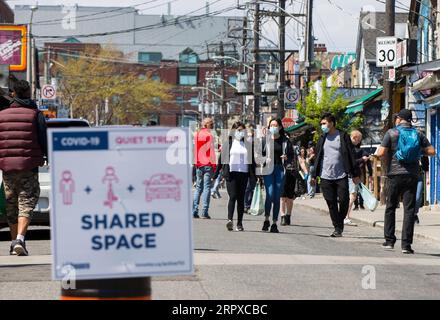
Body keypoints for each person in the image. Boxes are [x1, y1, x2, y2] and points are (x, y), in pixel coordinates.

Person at [377, 109, 435, 254]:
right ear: (410, 120)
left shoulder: (391, 133)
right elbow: (432, 151)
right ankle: (406, 245)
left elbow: (382, 153)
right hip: (412, 175)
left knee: (390, 207)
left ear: (399, 118)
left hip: (394, 175)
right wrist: (417, 152)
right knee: (409, 210)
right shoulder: (418, 133)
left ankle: (389, 241)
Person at [0, 80, 47, 256]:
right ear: (28, 93)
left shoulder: (1, 115)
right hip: (29, 166)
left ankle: (14, 243)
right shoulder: (35, 115)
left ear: (13, 94)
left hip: (7, 168)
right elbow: (43, 138)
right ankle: (20, 238)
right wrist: (47, 156)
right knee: (26, 202)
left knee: (11, 204)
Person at [310, 113, 360, 238]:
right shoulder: (322, 138)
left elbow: (351, 155)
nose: (322, 126)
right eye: (321, 124)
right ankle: (337, 227)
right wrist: (313, 176)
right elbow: (318, 158)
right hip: (325, 176)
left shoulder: (343, 136)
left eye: (324, 123)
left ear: (332, 123)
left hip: (341, 175)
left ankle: (339, 221)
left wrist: (355, 173)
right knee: (331, 202)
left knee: (344, 200)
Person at [213, 122, 255, 231]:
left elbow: (252, 162)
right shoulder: (228, 144)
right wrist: (216, 173)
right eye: (238, 130)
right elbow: (221, 160)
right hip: (231, 173)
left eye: (242, 130)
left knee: (241, 199)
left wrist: (254, 176)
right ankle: (230, 220)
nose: (240, 132)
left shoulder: (248, 144)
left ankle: (240, 223)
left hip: (244, 174)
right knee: (232, 196)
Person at [259, 119, 294, 233]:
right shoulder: (265, 140)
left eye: (275, 125)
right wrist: (264, 159)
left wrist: (286, 158)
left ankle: (274, 223)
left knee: (276, 196)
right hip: (268, 169)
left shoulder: (285, 141)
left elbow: (291, 155)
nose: (273, 127)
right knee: (269, 194)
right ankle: (266, 219)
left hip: (280, 170)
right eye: (271, 125)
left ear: (279, 127)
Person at [345, 130, 372, 226]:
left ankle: (345, 216)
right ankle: (346, 217)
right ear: (355, 137)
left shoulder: (347, 146)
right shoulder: (350, 148)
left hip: (350, 174)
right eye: (359, 139)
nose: (359, 141)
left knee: (351, 196)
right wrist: (363, 159)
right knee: (352, 196)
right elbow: (352, 162)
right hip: (351, 175)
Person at [192, 117, 216, 219]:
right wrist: (214, 165)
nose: (212, 126)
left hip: (199, 164)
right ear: (208, 125)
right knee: (207, 188)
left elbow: (195, 150)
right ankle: (204, 211)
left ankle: (194, 210)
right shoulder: (209, 135)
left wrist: (196, 163)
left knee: (198, 188)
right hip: (207, 165)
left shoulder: (197, 135)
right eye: (212, 124)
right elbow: (211, 152)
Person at [280, 141, 300, 226]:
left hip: (291, 173)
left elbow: (300, 161)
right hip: (281, 173)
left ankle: (288, 215)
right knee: (282, 197)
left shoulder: (294, 149)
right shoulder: (279, 148)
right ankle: (282, 216)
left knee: (290, 197)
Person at [244, 124, 257, 213]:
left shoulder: (255, 144)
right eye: (248, 135)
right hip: (245, 168)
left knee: (252, 187)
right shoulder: (244, 144)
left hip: (253, 168)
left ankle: (250, 204)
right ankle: (246, 205)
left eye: (251, 134)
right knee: (247, 187)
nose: (250, 136)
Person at [414, 156, 429, 224]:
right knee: (409, 197)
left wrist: (427, 177)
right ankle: (410, 215)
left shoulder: (421, 150)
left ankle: (414, 213)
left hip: (419, 176)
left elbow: (426, 165)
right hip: (408, 176)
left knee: (418, 197)